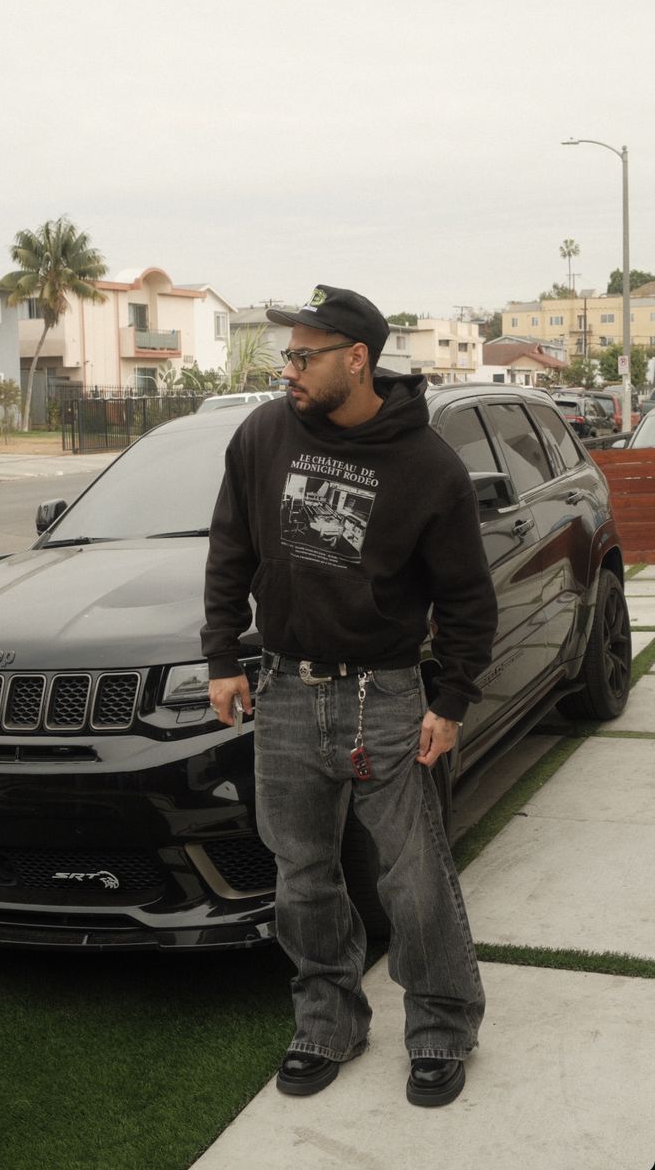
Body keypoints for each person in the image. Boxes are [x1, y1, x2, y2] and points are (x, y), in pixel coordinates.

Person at [202, 285, 497, 1108]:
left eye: (305, 355)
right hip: (285, 689)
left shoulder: (427, 464)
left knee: (414, 875)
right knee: (302, 873)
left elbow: (468, 598)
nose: (288, 369)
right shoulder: (262, 434)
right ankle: (328, 1019)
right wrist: (223, 652)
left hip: (386, 695)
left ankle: (440, 1026)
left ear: (357, 360)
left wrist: (451, 700)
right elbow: (229, 546)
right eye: (287, 354)